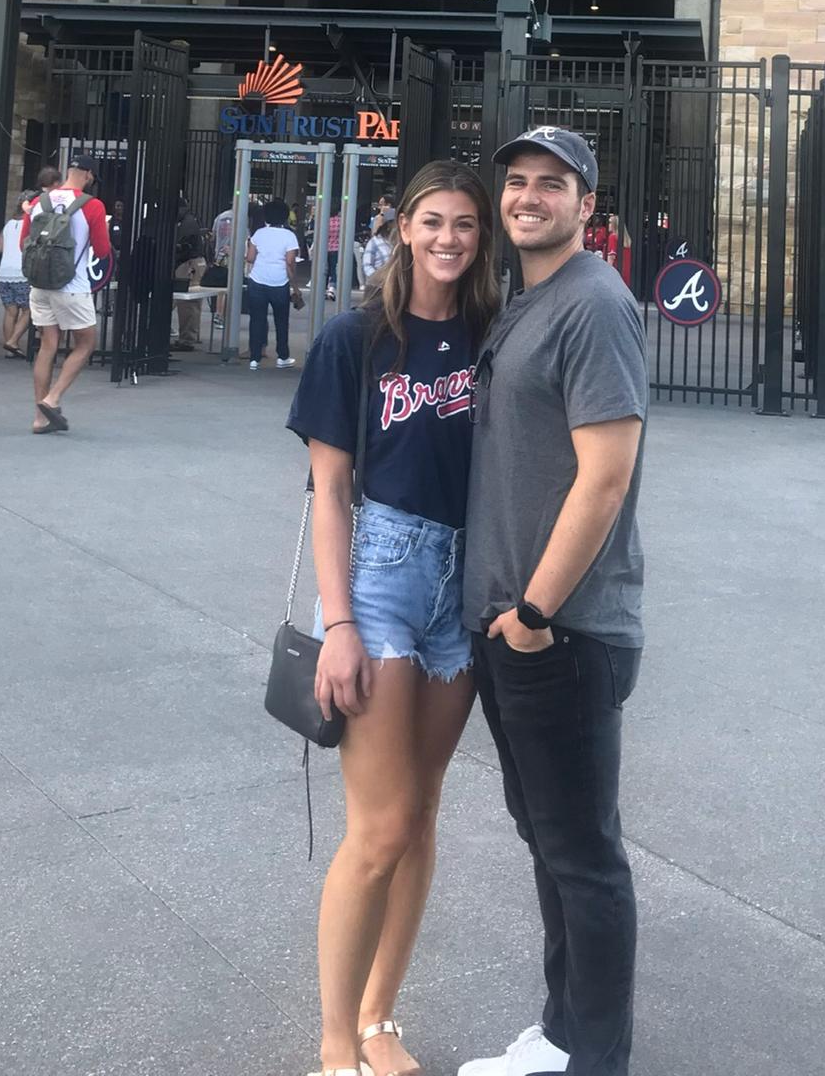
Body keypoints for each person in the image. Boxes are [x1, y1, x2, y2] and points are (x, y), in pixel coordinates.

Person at [286, 160, 499, 1076]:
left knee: (420, 814)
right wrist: (337, 625)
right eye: (433, 222)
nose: (449, 238)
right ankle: (335, 1045)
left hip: (470, 577)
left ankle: (378, 1020)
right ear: (403, 227)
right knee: (377, 827)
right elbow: (329, 490)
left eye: (465, 225)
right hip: (383, 573)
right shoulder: (356, 339)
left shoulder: (497, 338)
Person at [459, 127, 648, 1076]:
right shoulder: (529, 300)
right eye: (519, 183)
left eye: (552, 185)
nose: (529, 197)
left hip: (561, 631)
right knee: (549, 841)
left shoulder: (593, 306)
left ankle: (595, 1059)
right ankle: (566, 1032)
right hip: (516, 626)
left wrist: (532, 615)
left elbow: (605, 477)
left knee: (582, 856)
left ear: (587, 206)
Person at [19, 153, 110, 434]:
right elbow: (103, 250)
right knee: (85, 343)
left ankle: (39, 418)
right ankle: (53, 397)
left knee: (48, 344)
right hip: (72, 286)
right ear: (88, 175)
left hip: (40, 286)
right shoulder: (92, 206)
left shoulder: (38, 202)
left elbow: (25, 243)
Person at [244, 195, 302, 372]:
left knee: (257, 320)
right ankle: (282, 356)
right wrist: (295, 287)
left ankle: (254, 359)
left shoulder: (258, 234)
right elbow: (290, 262)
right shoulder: (289, 236)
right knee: (281, 321)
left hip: (257, 281)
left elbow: (250, 258)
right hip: (279, 282)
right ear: (285, 216)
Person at [0, 192, 38, 358]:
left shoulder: (9, 224)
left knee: (10, 311)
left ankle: (10, 350)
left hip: (4, 272)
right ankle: (13, 341)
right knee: (29, 311)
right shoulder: (30, 224)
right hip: (21, 272)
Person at [173, 194, 208, 351]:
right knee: (192, 303)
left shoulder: (186, 224)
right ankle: (190, 336)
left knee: (187, 302)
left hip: (189, 263)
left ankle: (187, 339)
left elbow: (182, 246)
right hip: (196, 262)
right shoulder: (191, 220)